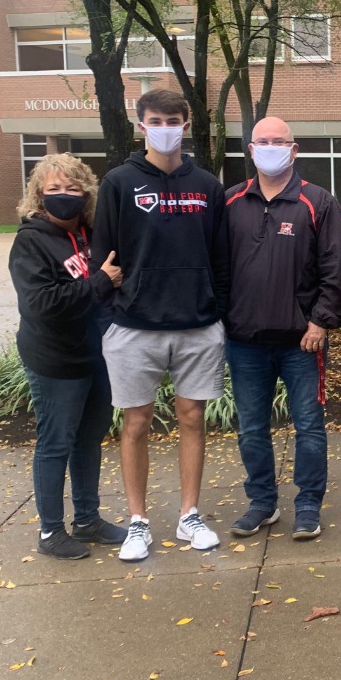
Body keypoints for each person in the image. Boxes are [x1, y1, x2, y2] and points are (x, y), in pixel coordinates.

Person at [91, 89, 230, 562]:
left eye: (174, 119)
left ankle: (190, 514)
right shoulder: (119, 182)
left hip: (197, 324)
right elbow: (103, 257)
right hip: (135, 326)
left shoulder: (208, 185)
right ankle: (138, 522)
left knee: (193, 419)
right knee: (136, 422)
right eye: (156, 120)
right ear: (141, 124)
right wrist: (113, 313)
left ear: (186, 124)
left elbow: (221, 256)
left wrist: (219, 310)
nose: (166, 127)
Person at [223, 116, 341, 540]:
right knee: (252, 428)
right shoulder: (230, 204)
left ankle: (307, 505)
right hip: (245, 343)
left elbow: (339, 267)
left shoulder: (317, 202)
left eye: (279, 141)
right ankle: (262, 503)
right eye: (263, 141)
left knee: (309, 427)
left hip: (302, 341)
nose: (271, 146)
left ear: (294, 150)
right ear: (251, 149)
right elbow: (217, 270)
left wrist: (321, 320)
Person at [9, 154, 125, 559]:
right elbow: (42, 303)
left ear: (86, 192)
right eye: (54, 189)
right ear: (39, 195)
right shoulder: (32, 241)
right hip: (55, 360)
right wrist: (99, 284)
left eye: (72, 188)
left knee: (88, 440)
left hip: (96, 355)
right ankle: (50, 531)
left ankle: (88, 519)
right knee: (55, 444)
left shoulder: (92, 235)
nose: (64, 195)